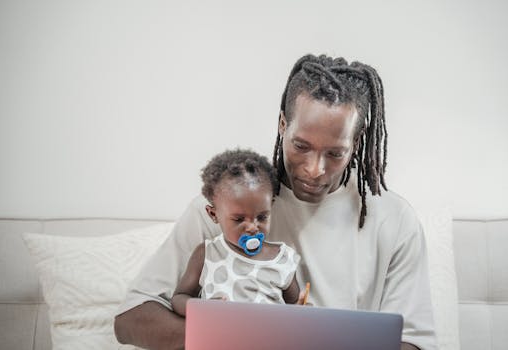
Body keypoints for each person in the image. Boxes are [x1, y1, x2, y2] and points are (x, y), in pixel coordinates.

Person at [114, 54, 436, 350]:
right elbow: (130, 319)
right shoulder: (225, 207)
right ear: (283, 125)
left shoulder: (394, 221)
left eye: (335, 153)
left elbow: (413, 342)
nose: (315, 169)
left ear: (358, 140)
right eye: (301, 146)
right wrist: (228, 337)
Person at [170, 148, 302, 317]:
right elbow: (179, 298)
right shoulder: (207, 254)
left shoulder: (283, 258)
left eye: (261, 217)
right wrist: (201, 308)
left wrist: (302, 309)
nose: (253, 227)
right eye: (239, 219)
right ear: (214, 214)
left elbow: (296, 308)